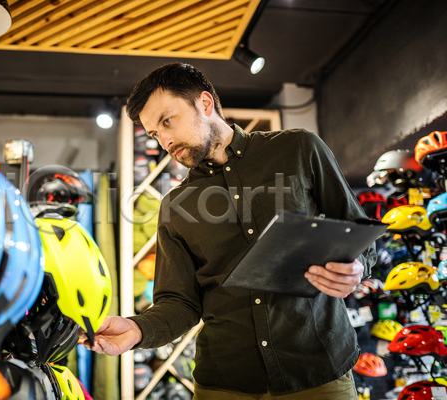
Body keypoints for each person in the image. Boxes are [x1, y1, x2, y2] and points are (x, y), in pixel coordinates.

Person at [82, 63, 376, 399]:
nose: (163, 140)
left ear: (205, 103)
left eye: (166, 121)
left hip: (316, 370)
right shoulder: (175, 205)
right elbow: (179, 302)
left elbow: (357, 229)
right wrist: (137, 328)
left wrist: (356, 267)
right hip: (225, 383)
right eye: (153, 134)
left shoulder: (299, 149)